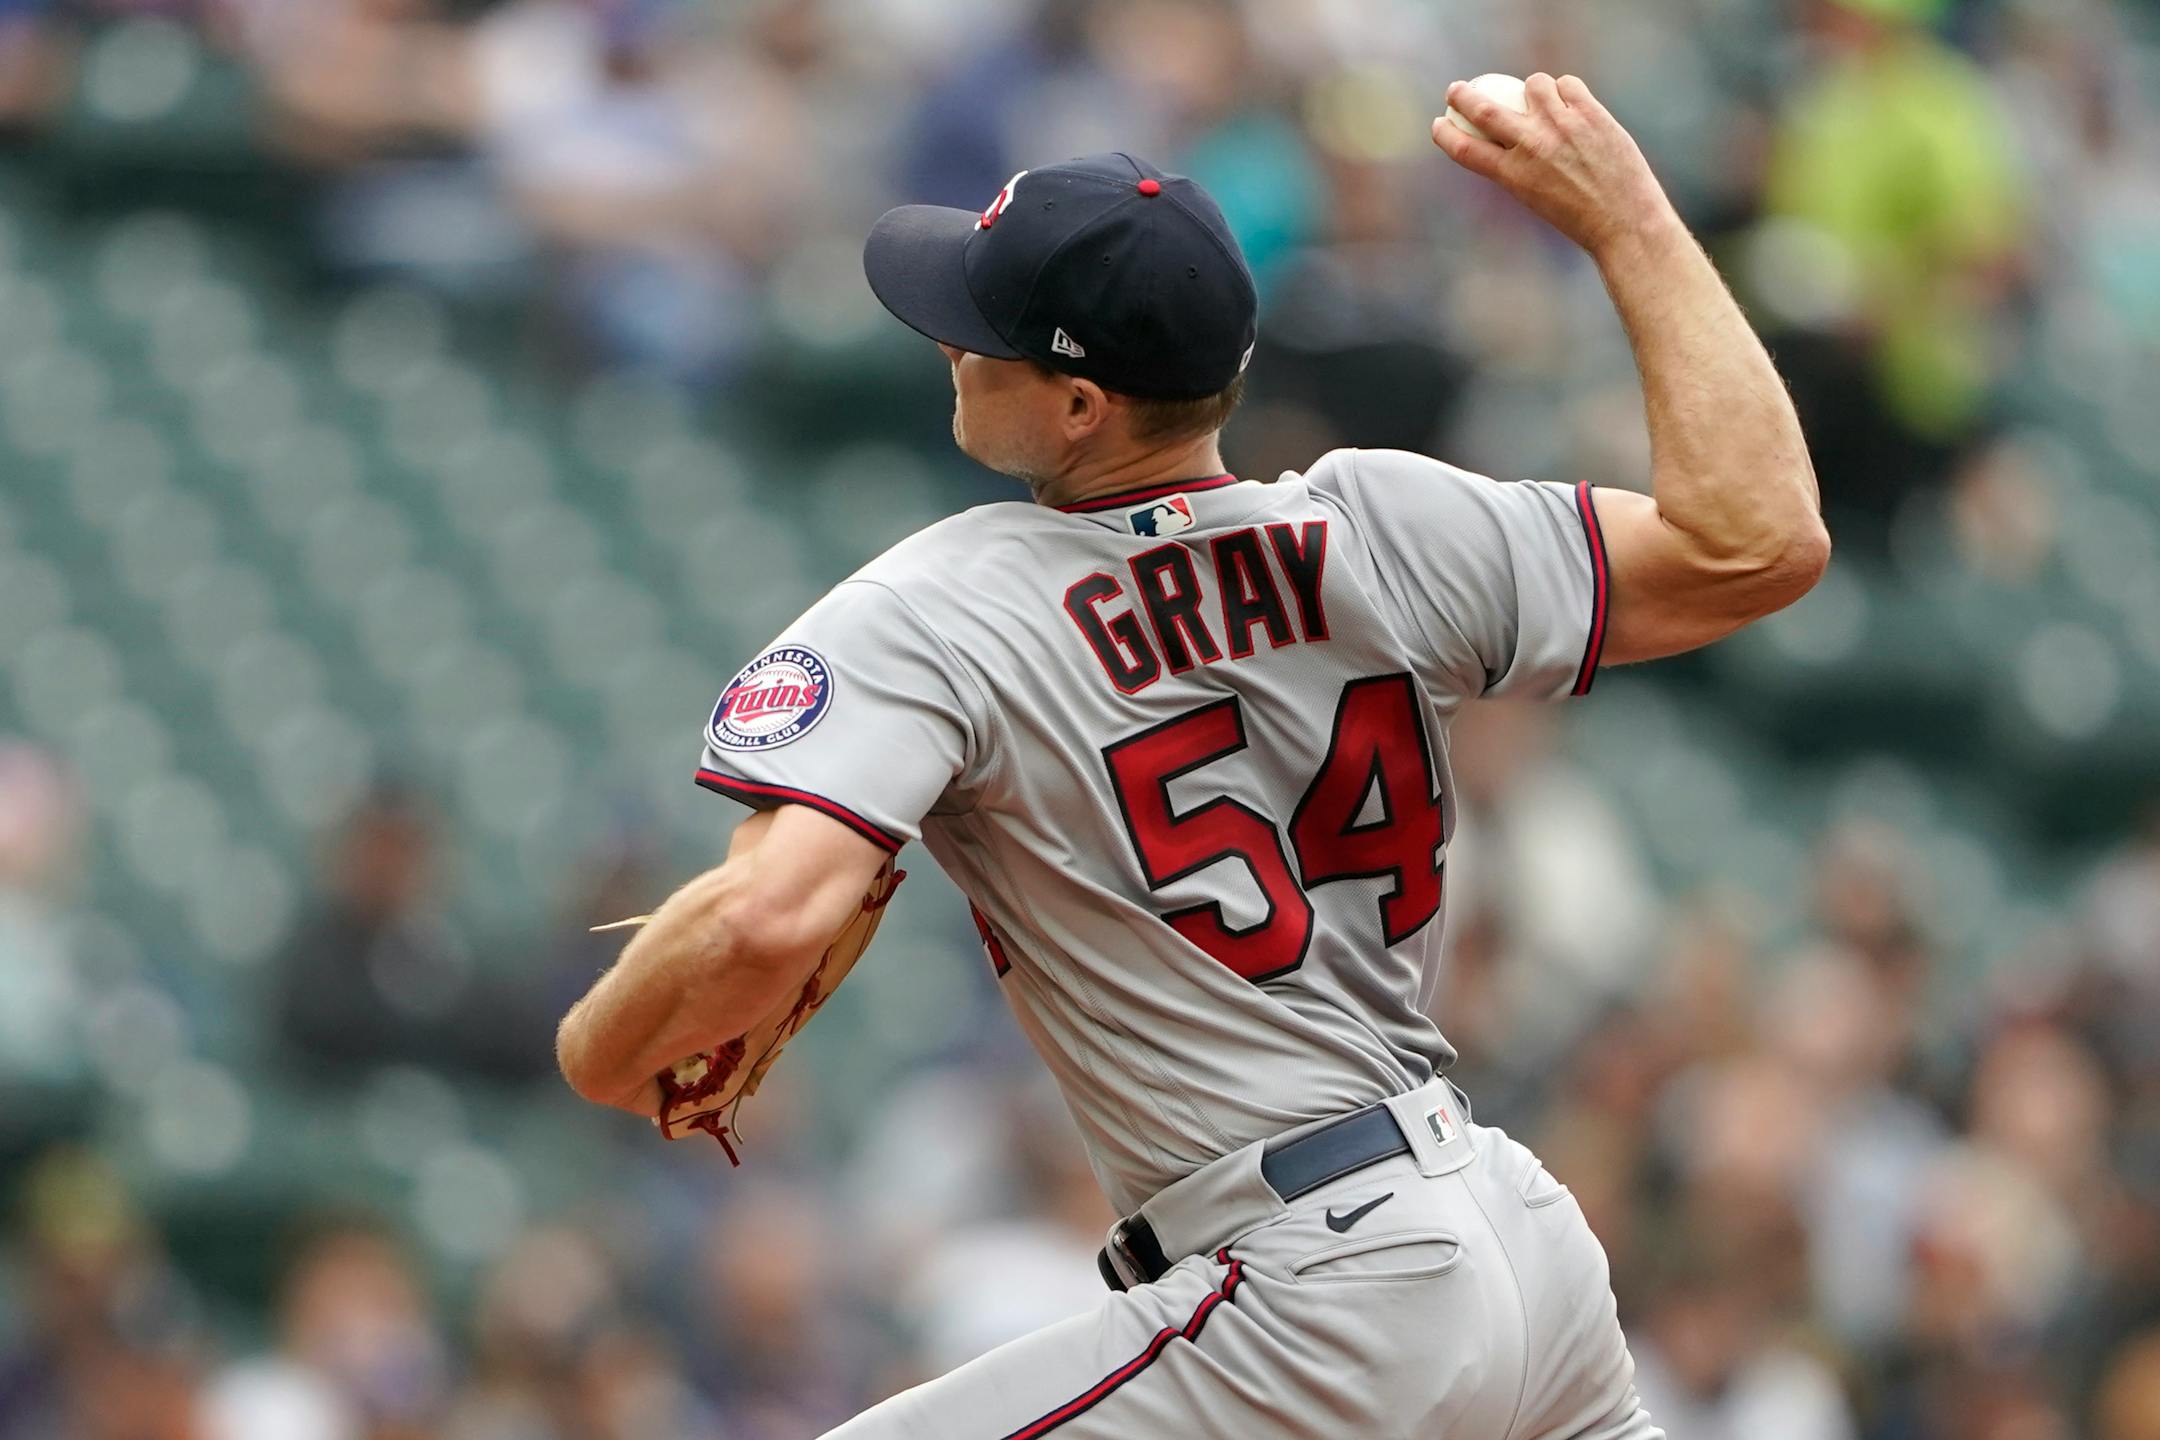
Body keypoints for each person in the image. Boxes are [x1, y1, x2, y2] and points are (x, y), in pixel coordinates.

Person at [556, 72, 1827, 1437]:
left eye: (987, 332)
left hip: (1317, 1286)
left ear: (1082, 404)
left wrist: (593, 1049)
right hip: (1517, 1245)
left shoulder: (951, 600)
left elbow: (768, 913)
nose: (950, 344)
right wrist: (1632, 222)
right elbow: (1757, 541)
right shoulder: (1385, 525)